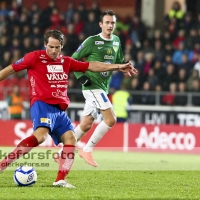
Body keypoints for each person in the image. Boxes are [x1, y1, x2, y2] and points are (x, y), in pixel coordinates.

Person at [0, 30, 137, 188]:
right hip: (41, 104)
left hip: (59, 110)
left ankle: (60, 180)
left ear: (61, 47)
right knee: (41, 136)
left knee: (71, 139)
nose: (53, 50)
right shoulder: (34, 57)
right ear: (45, 44)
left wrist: (118, 66)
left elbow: (91, 66)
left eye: (57, 47)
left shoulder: (66, 61)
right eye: (50, 46)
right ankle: (3, 164)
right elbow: (11, 69)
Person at [54, 10, 136, 167]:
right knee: (111, 119)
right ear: (101, 24)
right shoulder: (91, 41)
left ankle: (61, 153)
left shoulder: (117, 41)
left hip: (103, 87)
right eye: (107, 22)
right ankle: (87, 149)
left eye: (112, 23)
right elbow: (72, 60)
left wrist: (125, 67)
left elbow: (117, 62)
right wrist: (81, 77)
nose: (110, 25)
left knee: (86, 124)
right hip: (92, 86)